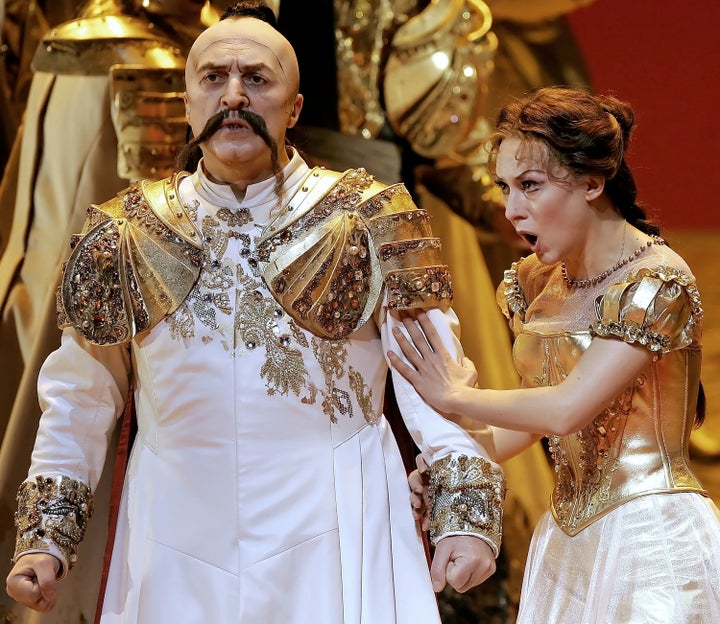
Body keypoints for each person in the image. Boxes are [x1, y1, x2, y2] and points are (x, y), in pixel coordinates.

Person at [5, 3, 505, 622]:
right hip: (173, 537)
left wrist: (466, 515)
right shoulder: (125, 234)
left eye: (257, 80)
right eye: (213, 78)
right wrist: (46, 539)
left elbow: (436, 377)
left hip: (340, 520)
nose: (234, 96)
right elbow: (80, 397)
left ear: (294, 108)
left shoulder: (369, 218)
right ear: (187, 101)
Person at [388, 86, 720, 623]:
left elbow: (567, 409)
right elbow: (533, 421)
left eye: (530, 186)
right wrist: (459, 461)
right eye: (504, 187)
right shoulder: (538, 282)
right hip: (568, 544)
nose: (511, 209)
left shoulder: (656, 282)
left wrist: (455, 394)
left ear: (592, 182)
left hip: (651, 540)